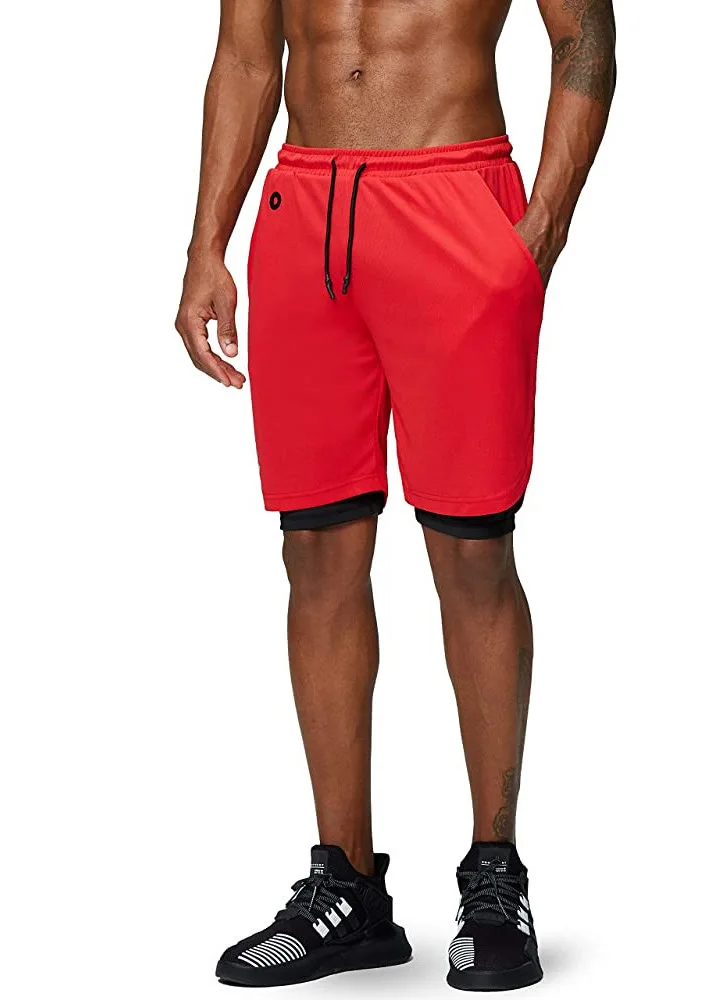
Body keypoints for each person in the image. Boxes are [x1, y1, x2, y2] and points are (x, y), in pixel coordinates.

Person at [176, 0, 615, 991]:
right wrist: (207, 244)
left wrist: (541, 227)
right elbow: (245, 58)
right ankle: (348, 890)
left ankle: (494, 874)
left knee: (471, 549)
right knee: (315, 549)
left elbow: (583, 34)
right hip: (304, 216)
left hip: (456, 201)